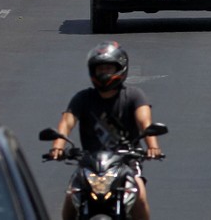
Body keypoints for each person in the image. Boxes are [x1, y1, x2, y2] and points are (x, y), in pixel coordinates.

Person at [48, 42, 161, 220]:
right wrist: (58, 146)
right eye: (100, 69)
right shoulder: (83, 98)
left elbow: (145, 122)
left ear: (120, 69)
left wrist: (153, 146)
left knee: (140, 195)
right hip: (90, 164)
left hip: (126, 163)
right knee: (71, 196)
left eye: (108, 68)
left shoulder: (133, 96)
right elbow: (67, 121)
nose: (104, 73)